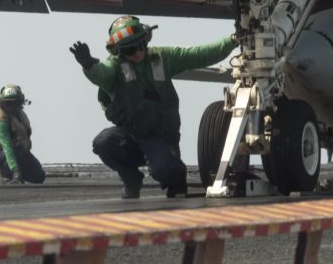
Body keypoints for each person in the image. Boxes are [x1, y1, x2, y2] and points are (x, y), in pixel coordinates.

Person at [70, 16, 236, 199]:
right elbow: (101, 74)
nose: (137, 52)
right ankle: (131, 178)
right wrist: (88, 64)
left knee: (165, 169)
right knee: (104, 142)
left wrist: (232, 40)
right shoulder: (114, 67)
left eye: (141, 46)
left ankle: (176, 180)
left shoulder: (163, 57)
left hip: (161, 136)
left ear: (146, 41)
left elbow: (201, 55)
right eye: (130, 50)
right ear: (118, 51)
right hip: (130, 137)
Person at [0, 84, 46, 184]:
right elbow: (6, 145)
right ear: (3, 103)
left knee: (39, 176)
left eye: (15, 103)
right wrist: (16, 171)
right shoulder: (0, 118)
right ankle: (7, 175)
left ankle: (17, 173)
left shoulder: (20, 115)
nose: (12, 106)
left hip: (19, 152)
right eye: (8, 103)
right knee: (12, 154)